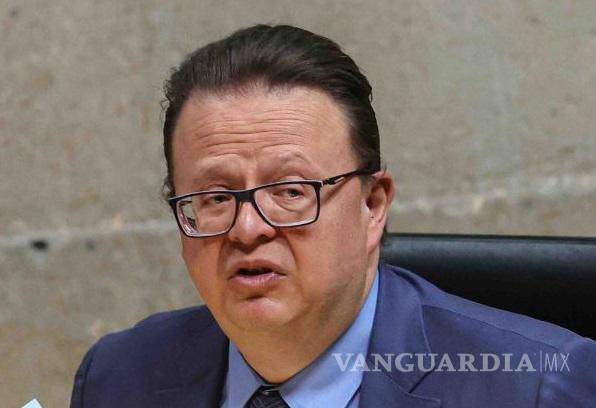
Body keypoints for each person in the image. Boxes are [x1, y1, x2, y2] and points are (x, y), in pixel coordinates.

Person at [70, 24, 596, 407]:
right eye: (214, 198)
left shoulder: (533, 387)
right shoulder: (118, 378)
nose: (248, 230)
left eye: (291, 191)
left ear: (373, 205)